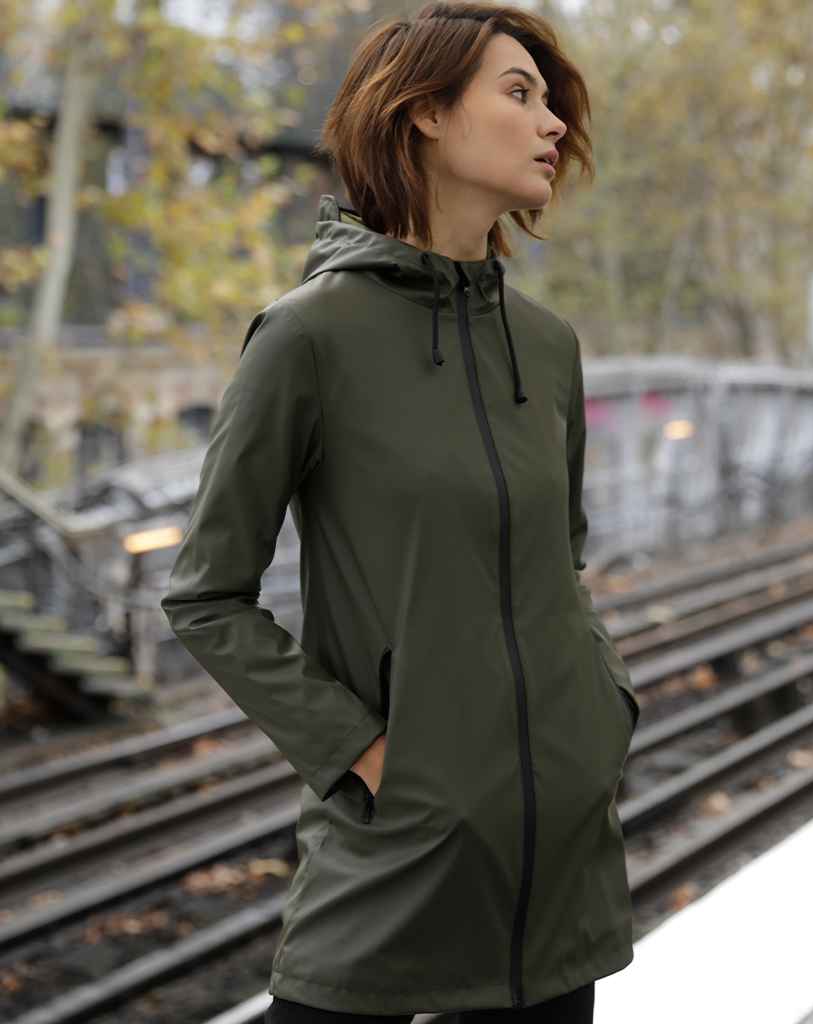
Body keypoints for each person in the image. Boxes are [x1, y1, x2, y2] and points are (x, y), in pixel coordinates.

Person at [160, 2, 640, 1021]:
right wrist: (363, 753)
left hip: (558, 858)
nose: (553, 123)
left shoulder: (547, 346)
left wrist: (601, 711)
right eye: (519, 93)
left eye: (552, 103)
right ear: (423, 111)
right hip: (399, 841)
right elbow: (206, 596)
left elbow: (562, 561)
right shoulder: (307, 339)